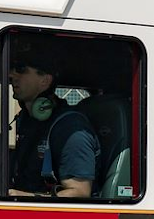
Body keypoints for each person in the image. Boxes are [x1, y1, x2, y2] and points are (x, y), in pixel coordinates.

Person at [7, 41, 99, 198]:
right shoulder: (27, 120)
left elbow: (80, 192)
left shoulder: (70, 128)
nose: (11, 75)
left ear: (44, 81)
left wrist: (24, 198)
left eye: (21, 69)